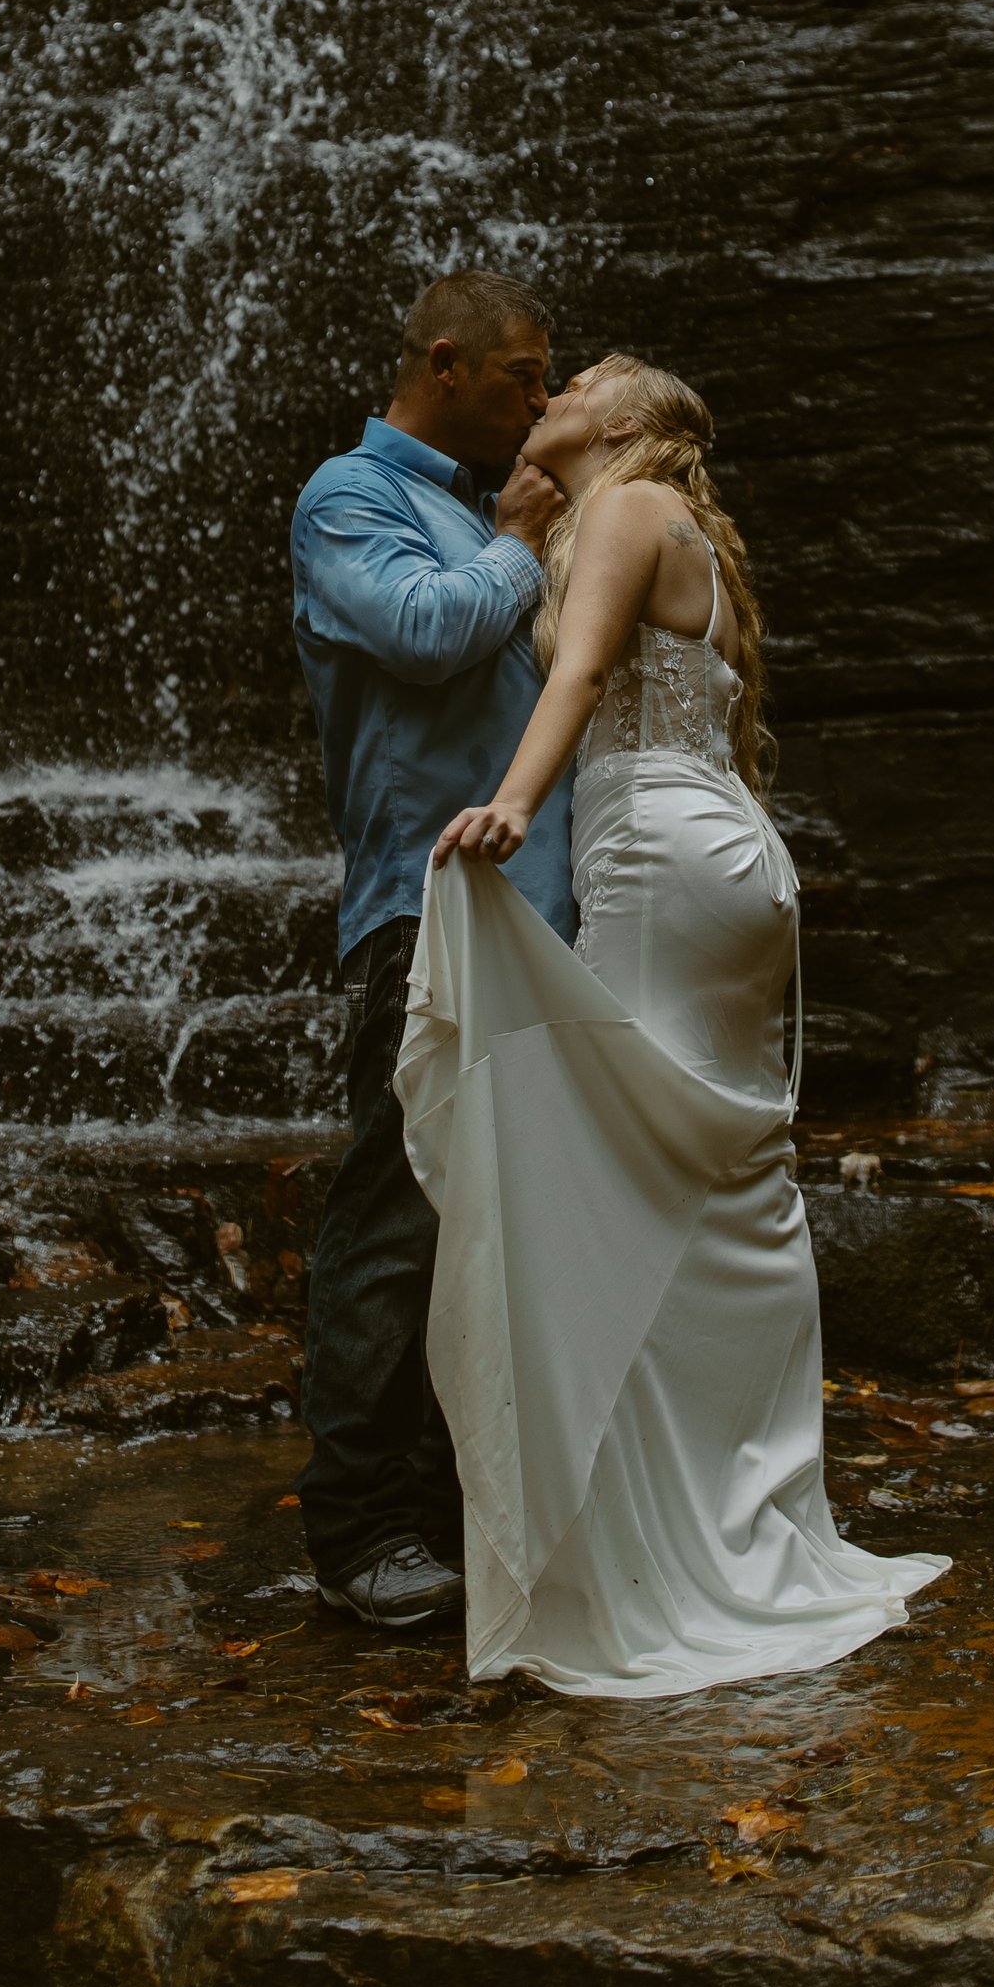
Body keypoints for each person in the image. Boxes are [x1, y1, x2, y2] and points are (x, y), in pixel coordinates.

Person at [401, 352, 949, 1697]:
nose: (563, 379)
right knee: (717, 1174)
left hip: (653, 850)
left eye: (588, 376)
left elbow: (578, 675)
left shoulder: (637, 506)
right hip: (717, 857)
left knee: (632, 1167)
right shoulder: (645, 518)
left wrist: (516, 805)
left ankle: (673, 1543)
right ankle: (744, 1512)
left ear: (633, 423)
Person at [290, 270, 575, 1631]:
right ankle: (354, 1530)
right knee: (394, 1217)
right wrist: (518, 540)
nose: (541, 402)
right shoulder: (350, 496)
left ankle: (456, 1508)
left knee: (492, 1224)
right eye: (526, 376)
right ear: (447, 363)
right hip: (420, 910)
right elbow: (420, 633)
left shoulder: (467, 511)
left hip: (514, 920)